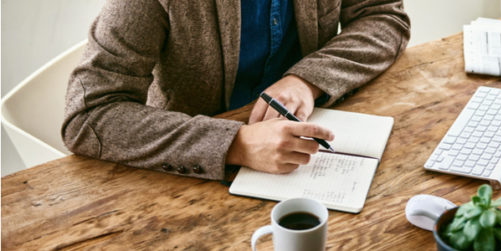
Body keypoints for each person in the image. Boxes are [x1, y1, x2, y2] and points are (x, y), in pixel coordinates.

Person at [61, 0, 410, 180]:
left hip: (315, 151)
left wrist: (307, 79)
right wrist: (235, 144)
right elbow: (89, 115)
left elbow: (383, 17)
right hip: (189, 167)